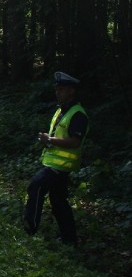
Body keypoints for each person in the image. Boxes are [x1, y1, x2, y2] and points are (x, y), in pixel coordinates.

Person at [23, 72, 89, 245]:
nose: (57, 92)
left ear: (71, 91)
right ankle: (69, 239)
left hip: (61, 165)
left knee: (36, 187)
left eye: (62, 89)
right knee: (58, 201)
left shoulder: (78, 114)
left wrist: (50, 140)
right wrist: (48, 140)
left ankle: (29, 228)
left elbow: (75, 141)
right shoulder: (61, 110)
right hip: (55, 163)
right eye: (57, 89)